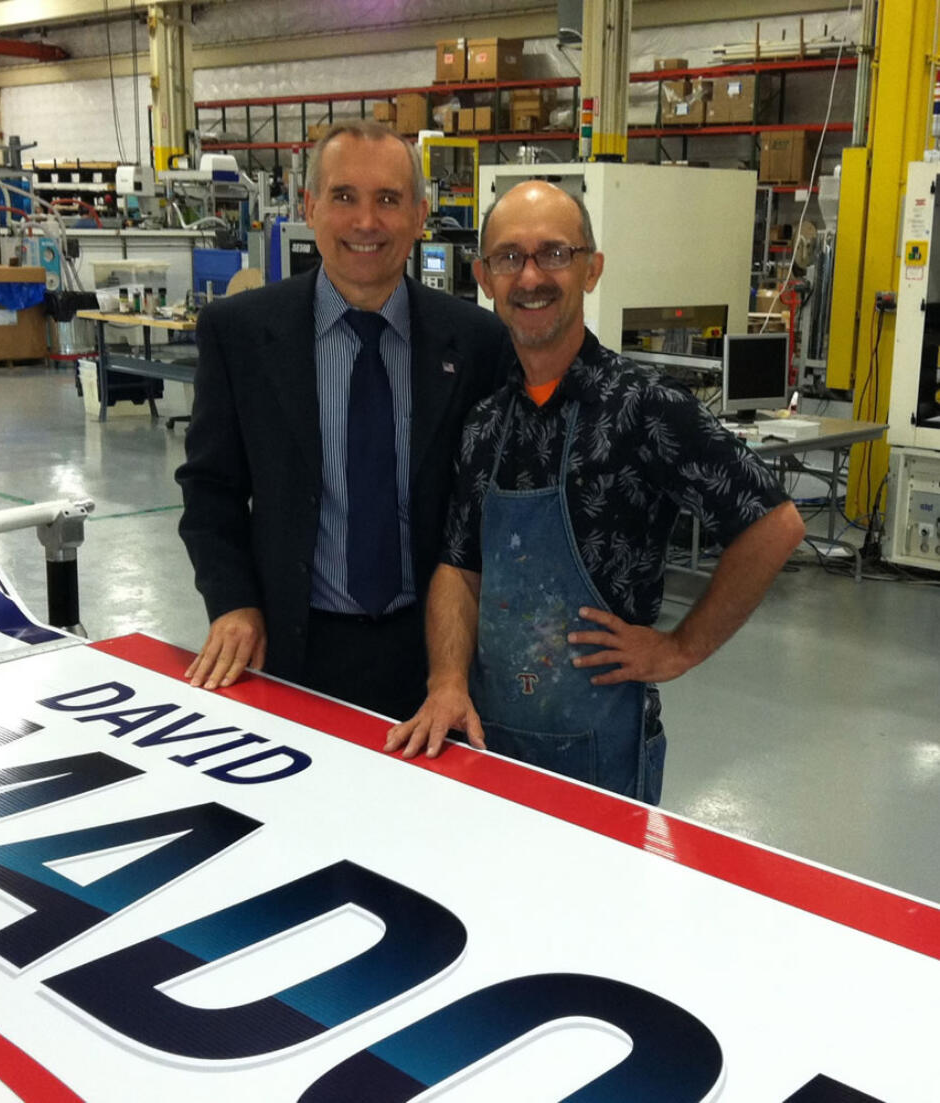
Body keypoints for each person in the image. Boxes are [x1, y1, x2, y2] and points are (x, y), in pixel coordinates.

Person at [384, 180, 806, 803]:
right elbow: (459, 567)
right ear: (484, 276)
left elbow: (774, 524)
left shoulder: (645, 409)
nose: (531, 277)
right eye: (510, 257)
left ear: (592, 269)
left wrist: (680, 648)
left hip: (601, 756)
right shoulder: (484, 423)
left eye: (554, 253)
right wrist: (447, 680)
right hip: (484, 741)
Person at [176, 121, 510, 719]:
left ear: (418, 215)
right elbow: (211, 490)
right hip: (291, 648)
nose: (366, 222)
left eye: (388, 199)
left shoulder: (478, 342)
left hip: (438, 662)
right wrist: (232, 602)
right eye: (343, 197)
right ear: (310, 207)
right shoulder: (242, 334)